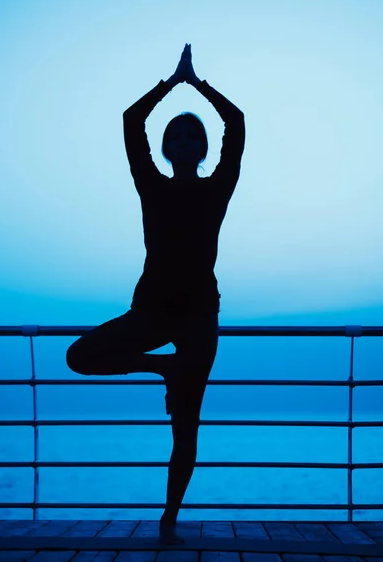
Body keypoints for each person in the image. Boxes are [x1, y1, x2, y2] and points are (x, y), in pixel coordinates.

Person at [66, 43, 246, 545]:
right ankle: (161, 368)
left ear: (203, 148)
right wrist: (172, 82)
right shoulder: (151, 184)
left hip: (197, 318)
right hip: (149, 310)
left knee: (186, 426)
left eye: (193, 135)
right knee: (78, 356)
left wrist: (198, 84)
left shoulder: (218, 187)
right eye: (176, 134)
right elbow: (131, 120)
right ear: (166, 148)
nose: (185, 139)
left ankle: (168, 520)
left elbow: (236, 123)